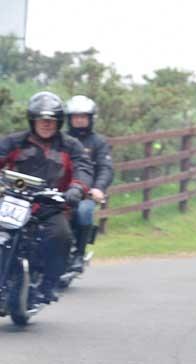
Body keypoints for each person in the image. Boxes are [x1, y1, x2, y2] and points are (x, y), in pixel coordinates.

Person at [0, 91, 92, 303]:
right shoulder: (14, 142)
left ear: (59, 122)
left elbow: (83, 169)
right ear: (32, 120)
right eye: (42, 119)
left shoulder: (70, 145)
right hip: (13, 202)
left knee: (61, 236)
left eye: (51, 120)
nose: (46, 124)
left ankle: (48, 283)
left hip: (49, 206)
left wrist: (76, 189)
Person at [64, 95, 113, 273]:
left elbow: (106, 167)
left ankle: (78, 254)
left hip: (85, 192)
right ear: (69, 119)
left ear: (90, 119)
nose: (79, 120)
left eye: (83, 116)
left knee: (84, 212)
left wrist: (98, 188)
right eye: (75, 116)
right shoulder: (60, 139)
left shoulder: (98, 142)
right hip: (60, 189)